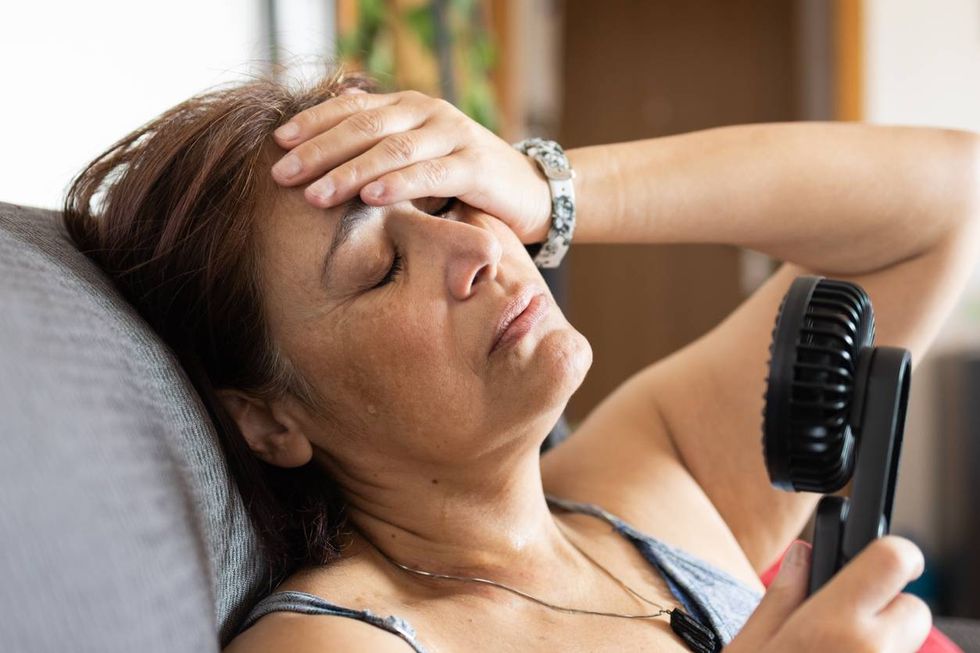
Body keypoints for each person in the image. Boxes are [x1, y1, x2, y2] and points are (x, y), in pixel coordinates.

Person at [62, 67, 979, 652]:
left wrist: (547, 186)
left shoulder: (653, 474)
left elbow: (947, 200)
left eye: (449, 201)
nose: (479, 249)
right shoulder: (345, 642)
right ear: (270, 418)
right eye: (380, 268)